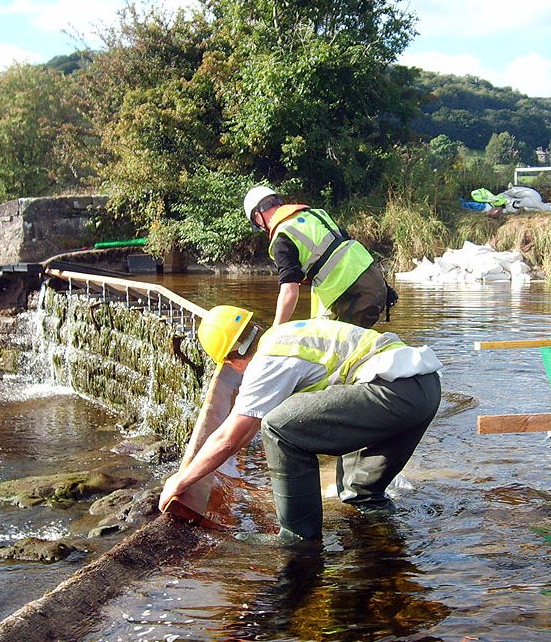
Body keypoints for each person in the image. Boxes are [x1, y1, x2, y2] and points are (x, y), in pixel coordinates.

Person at [158, 305, 442, 543]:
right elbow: (243, 431)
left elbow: (230, 437)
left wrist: (180, 480)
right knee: (360, 493)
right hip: (424, 388)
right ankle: (384, 548)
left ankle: (296, 538)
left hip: (391, 393)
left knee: (279, 428)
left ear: (232, 362)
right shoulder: (283, 335)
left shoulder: (266, 362)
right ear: (253, 326)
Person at [243, 185, 392, 328]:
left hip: (352, 293)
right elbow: (343, 244)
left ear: (257, 217)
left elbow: (289, 291)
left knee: (333, 346)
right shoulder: (315, 214)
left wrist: (275, 329)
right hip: (376, 281)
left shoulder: (282, 238)